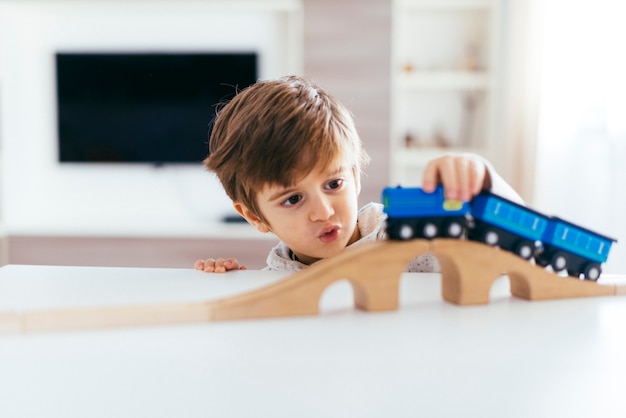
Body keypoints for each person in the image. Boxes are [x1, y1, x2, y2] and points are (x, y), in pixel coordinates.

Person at [194, 75, 523, 273]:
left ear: (355, 173)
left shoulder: (406, 236)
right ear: (255, 216)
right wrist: (226, 282)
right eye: (293, 198)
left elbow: (517, 254)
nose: (324, 211)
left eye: (334, 183)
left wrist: (483, 182)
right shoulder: (274, 276)